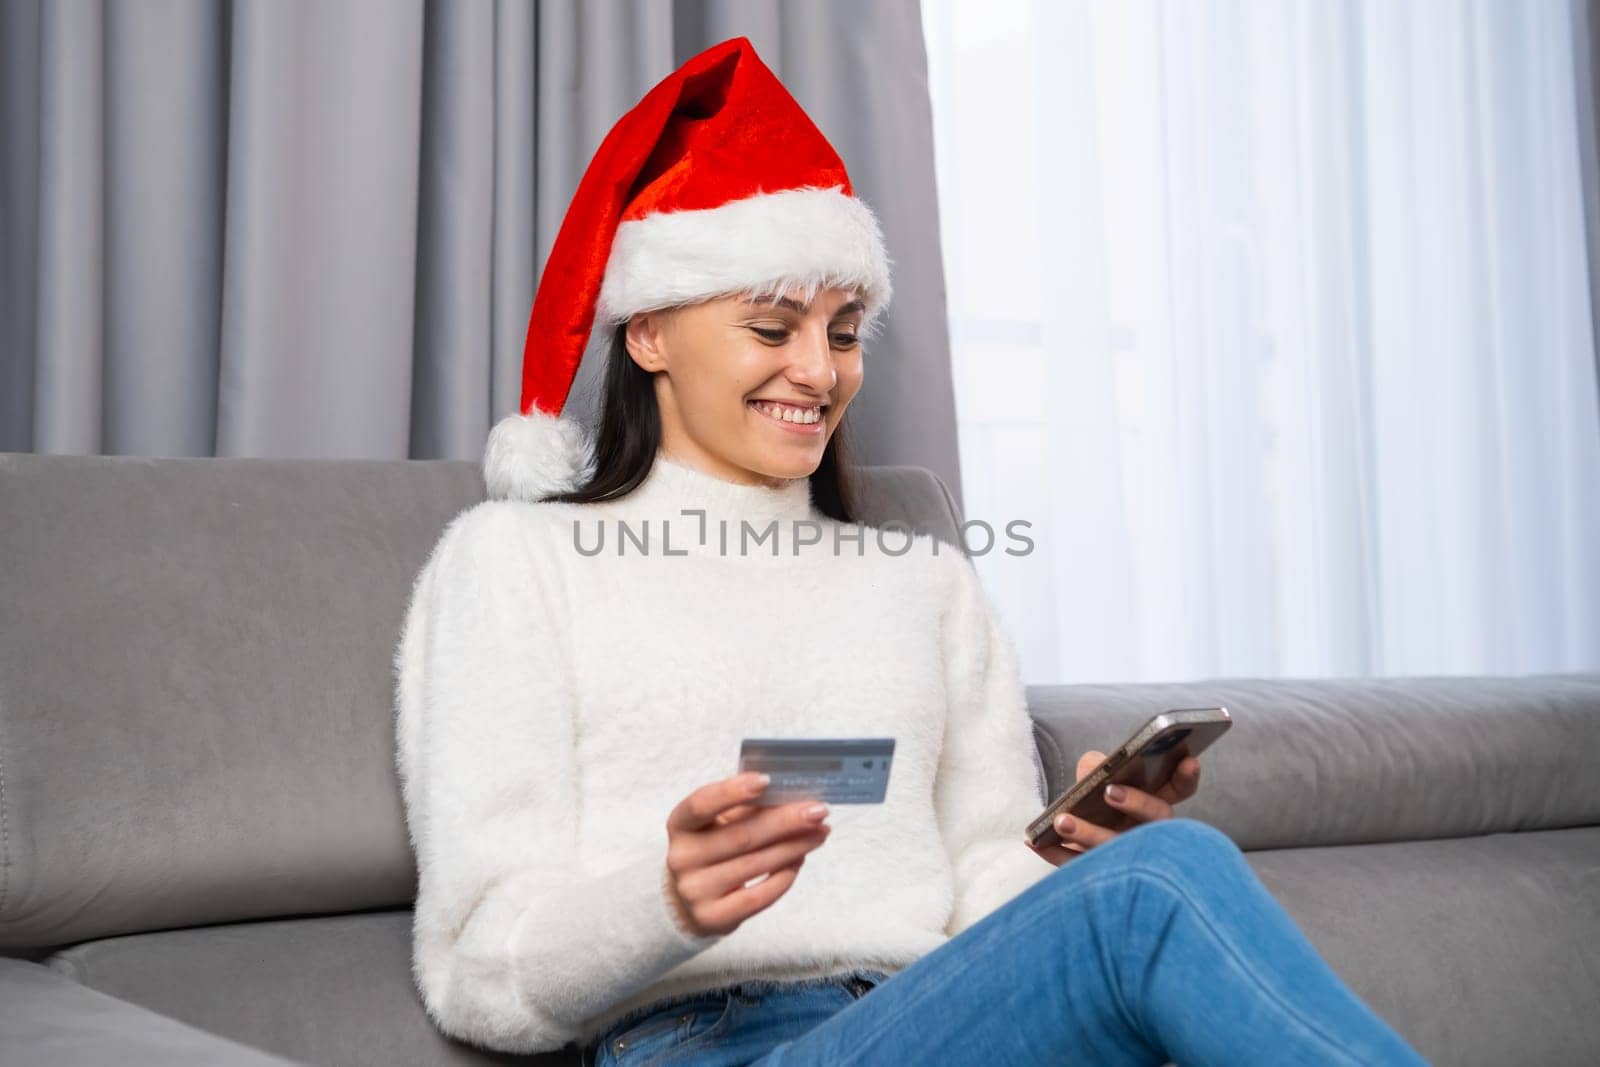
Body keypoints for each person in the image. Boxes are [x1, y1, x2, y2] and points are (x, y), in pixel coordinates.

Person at [392, 36, 1430, 1067]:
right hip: (702, 1042)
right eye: (772, 326)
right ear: (649, 333)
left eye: (844, 332)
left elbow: (977, 883)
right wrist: (661, 900)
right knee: (1165, 884)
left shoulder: (920, 579)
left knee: (1153, 866)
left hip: (931, 1013)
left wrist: (1075, 862)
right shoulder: (519, 559)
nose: (820, 370)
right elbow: (478, 968)